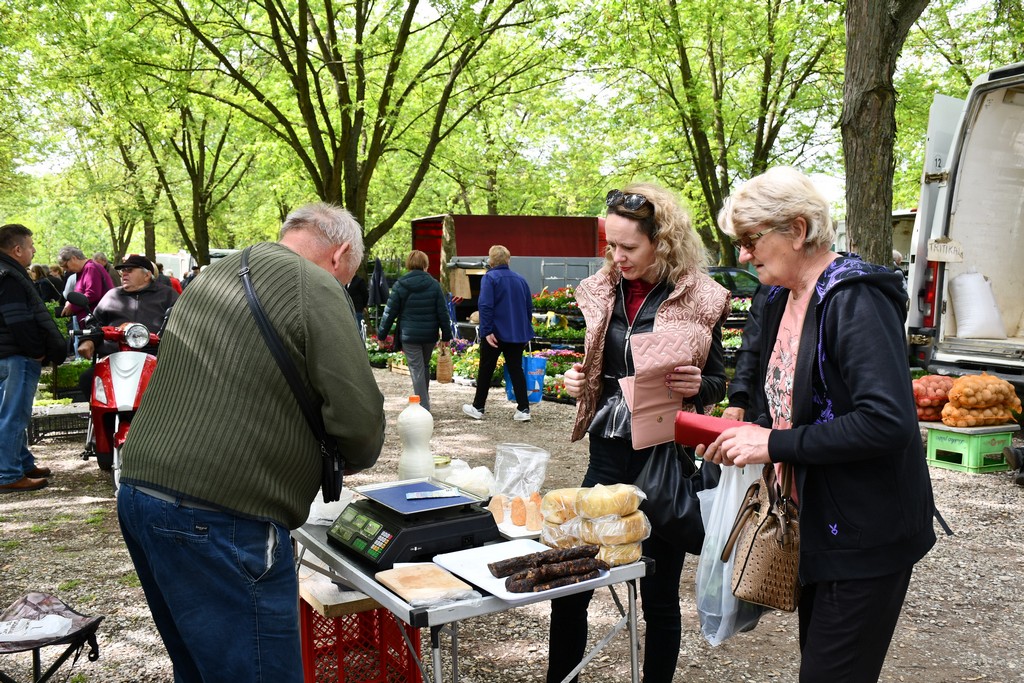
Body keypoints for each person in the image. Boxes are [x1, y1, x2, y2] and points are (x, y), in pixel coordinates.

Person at [116, 202, 385, 683]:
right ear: (341, 253)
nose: (346, 283)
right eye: (350, 272)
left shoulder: (214, 275)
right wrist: (357, 457)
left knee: (199, 667)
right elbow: (358, 416)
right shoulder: (316, 284)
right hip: (223, 515)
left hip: (141, 490)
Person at [701, 166, 936, 682]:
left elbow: (888, 422)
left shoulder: (854, 298)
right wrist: (745, 435)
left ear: (799, 230)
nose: (742, 254)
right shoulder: (784, 297)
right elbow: (788, 401)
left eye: (749, 239)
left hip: (866, 533)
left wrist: (775, 443)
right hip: (818, 523)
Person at [546, 185, 730, 683]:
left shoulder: (701, 297)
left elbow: (717, 379)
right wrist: (578, 381)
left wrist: (700, 385)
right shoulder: (600, 289)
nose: (617, 256)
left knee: (659, 595)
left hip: (664, 458)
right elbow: (599, 369)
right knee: (573, 580)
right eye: (611, 245)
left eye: (629, 247)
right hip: (606, 453)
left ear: (662, 242)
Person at [0, 224, 66, 493]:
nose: (34, 249)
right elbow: (19, 321)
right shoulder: (9, 276)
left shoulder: (8, 272)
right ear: (17, 249)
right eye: (30, 245)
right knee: (13, 416)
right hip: (16, 354)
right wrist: (36, 350)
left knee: (12, 413)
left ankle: (22, 463)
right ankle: (8, 474)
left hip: (10, 353)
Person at [75, 254, 179, 405]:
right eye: (122, 271)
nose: (124, 274)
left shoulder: (167, 295)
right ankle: (101, 422)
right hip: (114, 358)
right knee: (87, 379)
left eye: (130, 270)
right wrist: (88, 340)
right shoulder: (112, 296)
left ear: (147, 275)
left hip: (156, 359)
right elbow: (94, 323)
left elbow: (182, 323)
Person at [462, 245, 535, 422]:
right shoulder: (521, 280)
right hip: (517, 334)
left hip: (495, 333)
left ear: (491, 261)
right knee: (516, 369)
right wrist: (526, 331)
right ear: (508, 260)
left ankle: (478, 407)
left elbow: (485, 306)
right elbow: (528, 308)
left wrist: (486, 331)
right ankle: (523, 409)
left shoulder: (490, 278)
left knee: (486, 369)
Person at [377, 250, 452, 412]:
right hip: (429, 334)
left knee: (417, 368)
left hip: (409, 335)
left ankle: (423, 406)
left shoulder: (400, 285)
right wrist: (446, 335)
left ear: (409, 264)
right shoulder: (434, 284)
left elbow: (389, 312)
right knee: (423, 367)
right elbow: (443, 312)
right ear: (425, 264)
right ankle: (423, 401)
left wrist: (381, 335)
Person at [721, 284, 767, 422]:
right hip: (764, 408)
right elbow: (751, 347)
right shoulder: (770, 290)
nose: (744, 260)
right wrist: (738, 399)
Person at [58, 247, 114, 322]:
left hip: (99, 320)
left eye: (65, 266)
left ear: (73, 258)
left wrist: (72, 306)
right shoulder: (83, 270)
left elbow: (92, 294)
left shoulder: (91, 268)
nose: (65, 269)